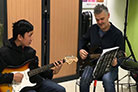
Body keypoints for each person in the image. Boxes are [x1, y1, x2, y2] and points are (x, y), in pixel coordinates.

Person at [0, 19, 66, 92]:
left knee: (60, 90)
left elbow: (35, 70)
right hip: (15, 87)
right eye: (30, 35)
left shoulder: (31, 52)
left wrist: (52, 72)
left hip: (34, 82)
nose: (32, 39)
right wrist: (12, 77)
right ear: (20, 37)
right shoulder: (3, 52)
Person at [79, 4, 125, 92]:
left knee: (107, 80)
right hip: (92, 63)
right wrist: (81, 49)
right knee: (84, 80)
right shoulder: (92, 29)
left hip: (109, 66)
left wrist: (117, 62)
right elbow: (82, 40)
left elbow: (122, 54)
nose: (100, 22)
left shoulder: (117, 34)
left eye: (102, 19)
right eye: (97, 19)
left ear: (108, 16)